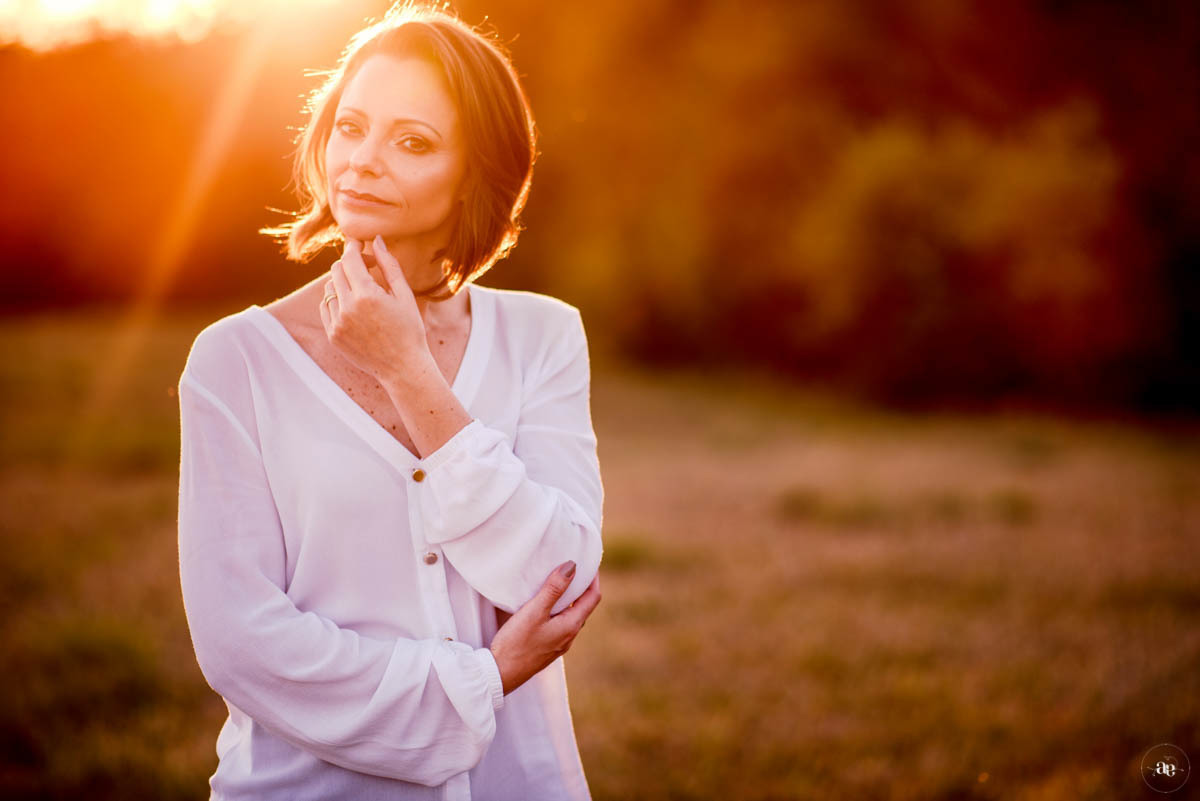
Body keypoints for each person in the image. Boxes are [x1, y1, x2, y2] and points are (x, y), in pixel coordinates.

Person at [175, 3, 604, 799]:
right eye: (351, 125)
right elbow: (241, 641)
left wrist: (409, 371)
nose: (363, 161)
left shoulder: (546, 336)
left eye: (412, 142)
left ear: (476, 174)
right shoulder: (232, 360)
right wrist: (481, 679)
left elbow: (560, 577)